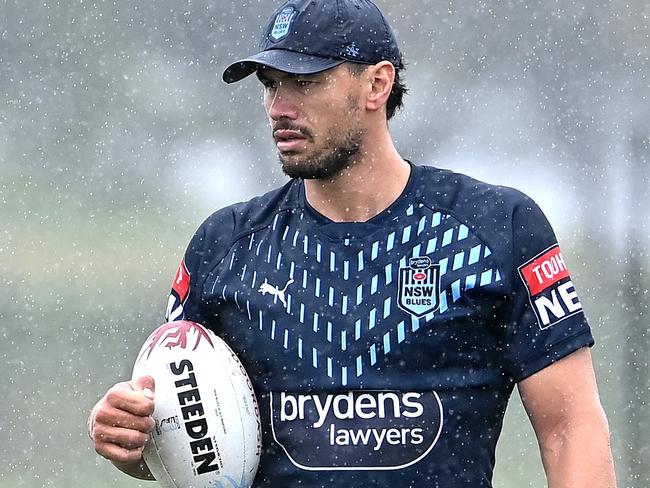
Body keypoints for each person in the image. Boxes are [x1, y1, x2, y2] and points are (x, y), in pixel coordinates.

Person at [88, 0, 617, 486]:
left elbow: (571, 427)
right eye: (271, 84)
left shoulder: (498, 226)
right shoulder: (223, 246)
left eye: (304, 82)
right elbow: (186, 432)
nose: (279, 107)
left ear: (376, 86)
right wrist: (131, 438)